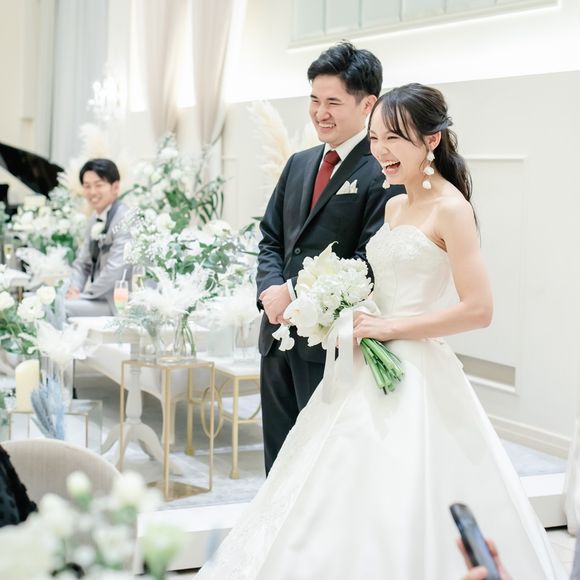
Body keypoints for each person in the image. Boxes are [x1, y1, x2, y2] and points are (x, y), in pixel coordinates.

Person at [196, 84, 566, 579]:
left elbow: (479, 310)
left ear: (431, 141)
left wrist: (393, 325)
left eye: (394, 138)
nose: (380, 151)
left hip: (418, 369)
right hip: (366, 358)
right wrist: (347, 311)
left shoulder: (452, 210)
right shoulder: (395, 205)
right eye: (374, 138)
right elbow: (382, 285)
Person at [257, 41, 404, 473]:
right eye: (314, 100)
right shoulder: (299, 163)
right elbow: (271, 238)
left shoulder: (383, 171)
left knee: (320, 464)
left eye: (333, 102)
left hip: (331, 346)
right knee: (278, 463)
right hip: (276, 335)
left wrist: (293, 294)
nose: (320, 113)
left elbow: (368, 259)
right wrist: (270, 291)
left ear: (367, 104)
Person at [65, 159, 130, 317]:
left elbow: (114, 271)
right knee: (50, 300)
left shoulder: (125, 219)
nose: (92, 192)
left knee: (61, 307)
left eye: (98, 185)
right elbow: (82, 263)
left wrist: (83, 296)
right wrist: (75, 288)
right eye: (87, 186)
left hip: (119, 303)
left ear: (115, 187)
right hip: (98, 299)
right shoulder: (94, 219)